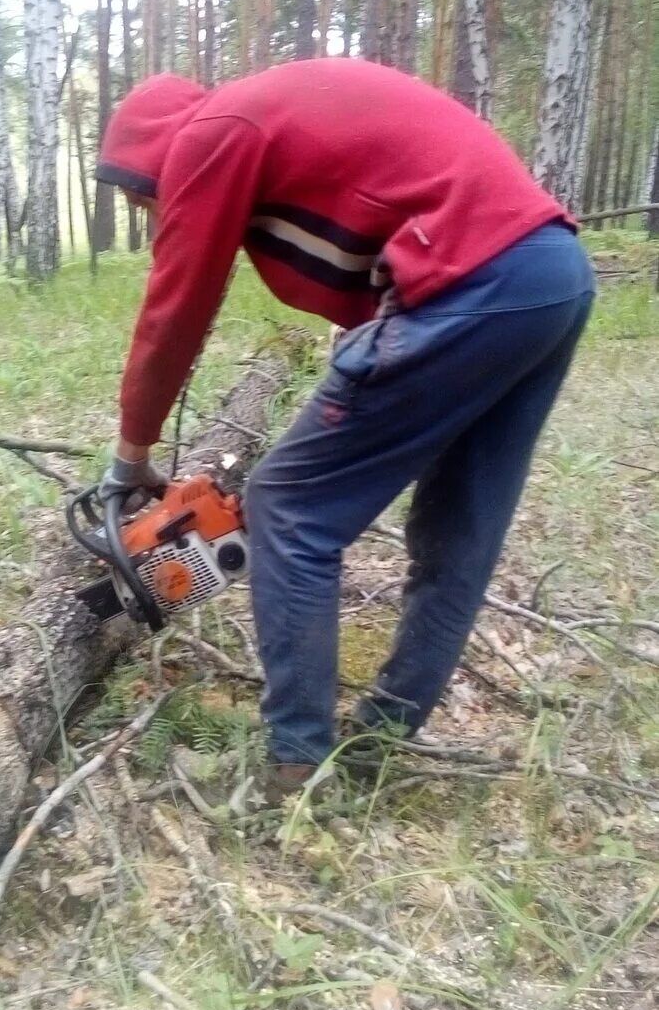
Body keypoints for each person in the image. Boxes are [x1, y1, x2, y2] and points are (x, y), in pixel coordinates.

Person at [95, 58, 595, 794]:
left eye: (144, 201)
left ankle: (296, 767)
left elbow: (177, 306)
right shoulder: (264, 119)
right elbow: (376, 212)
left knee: (290, 507)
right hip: (551, 277)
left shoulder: (210, 134)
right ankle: (376, 748)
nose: (151, 214)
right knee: (459, 534)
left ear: (147, 159)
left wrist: (130, 453)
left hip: (473, 281)